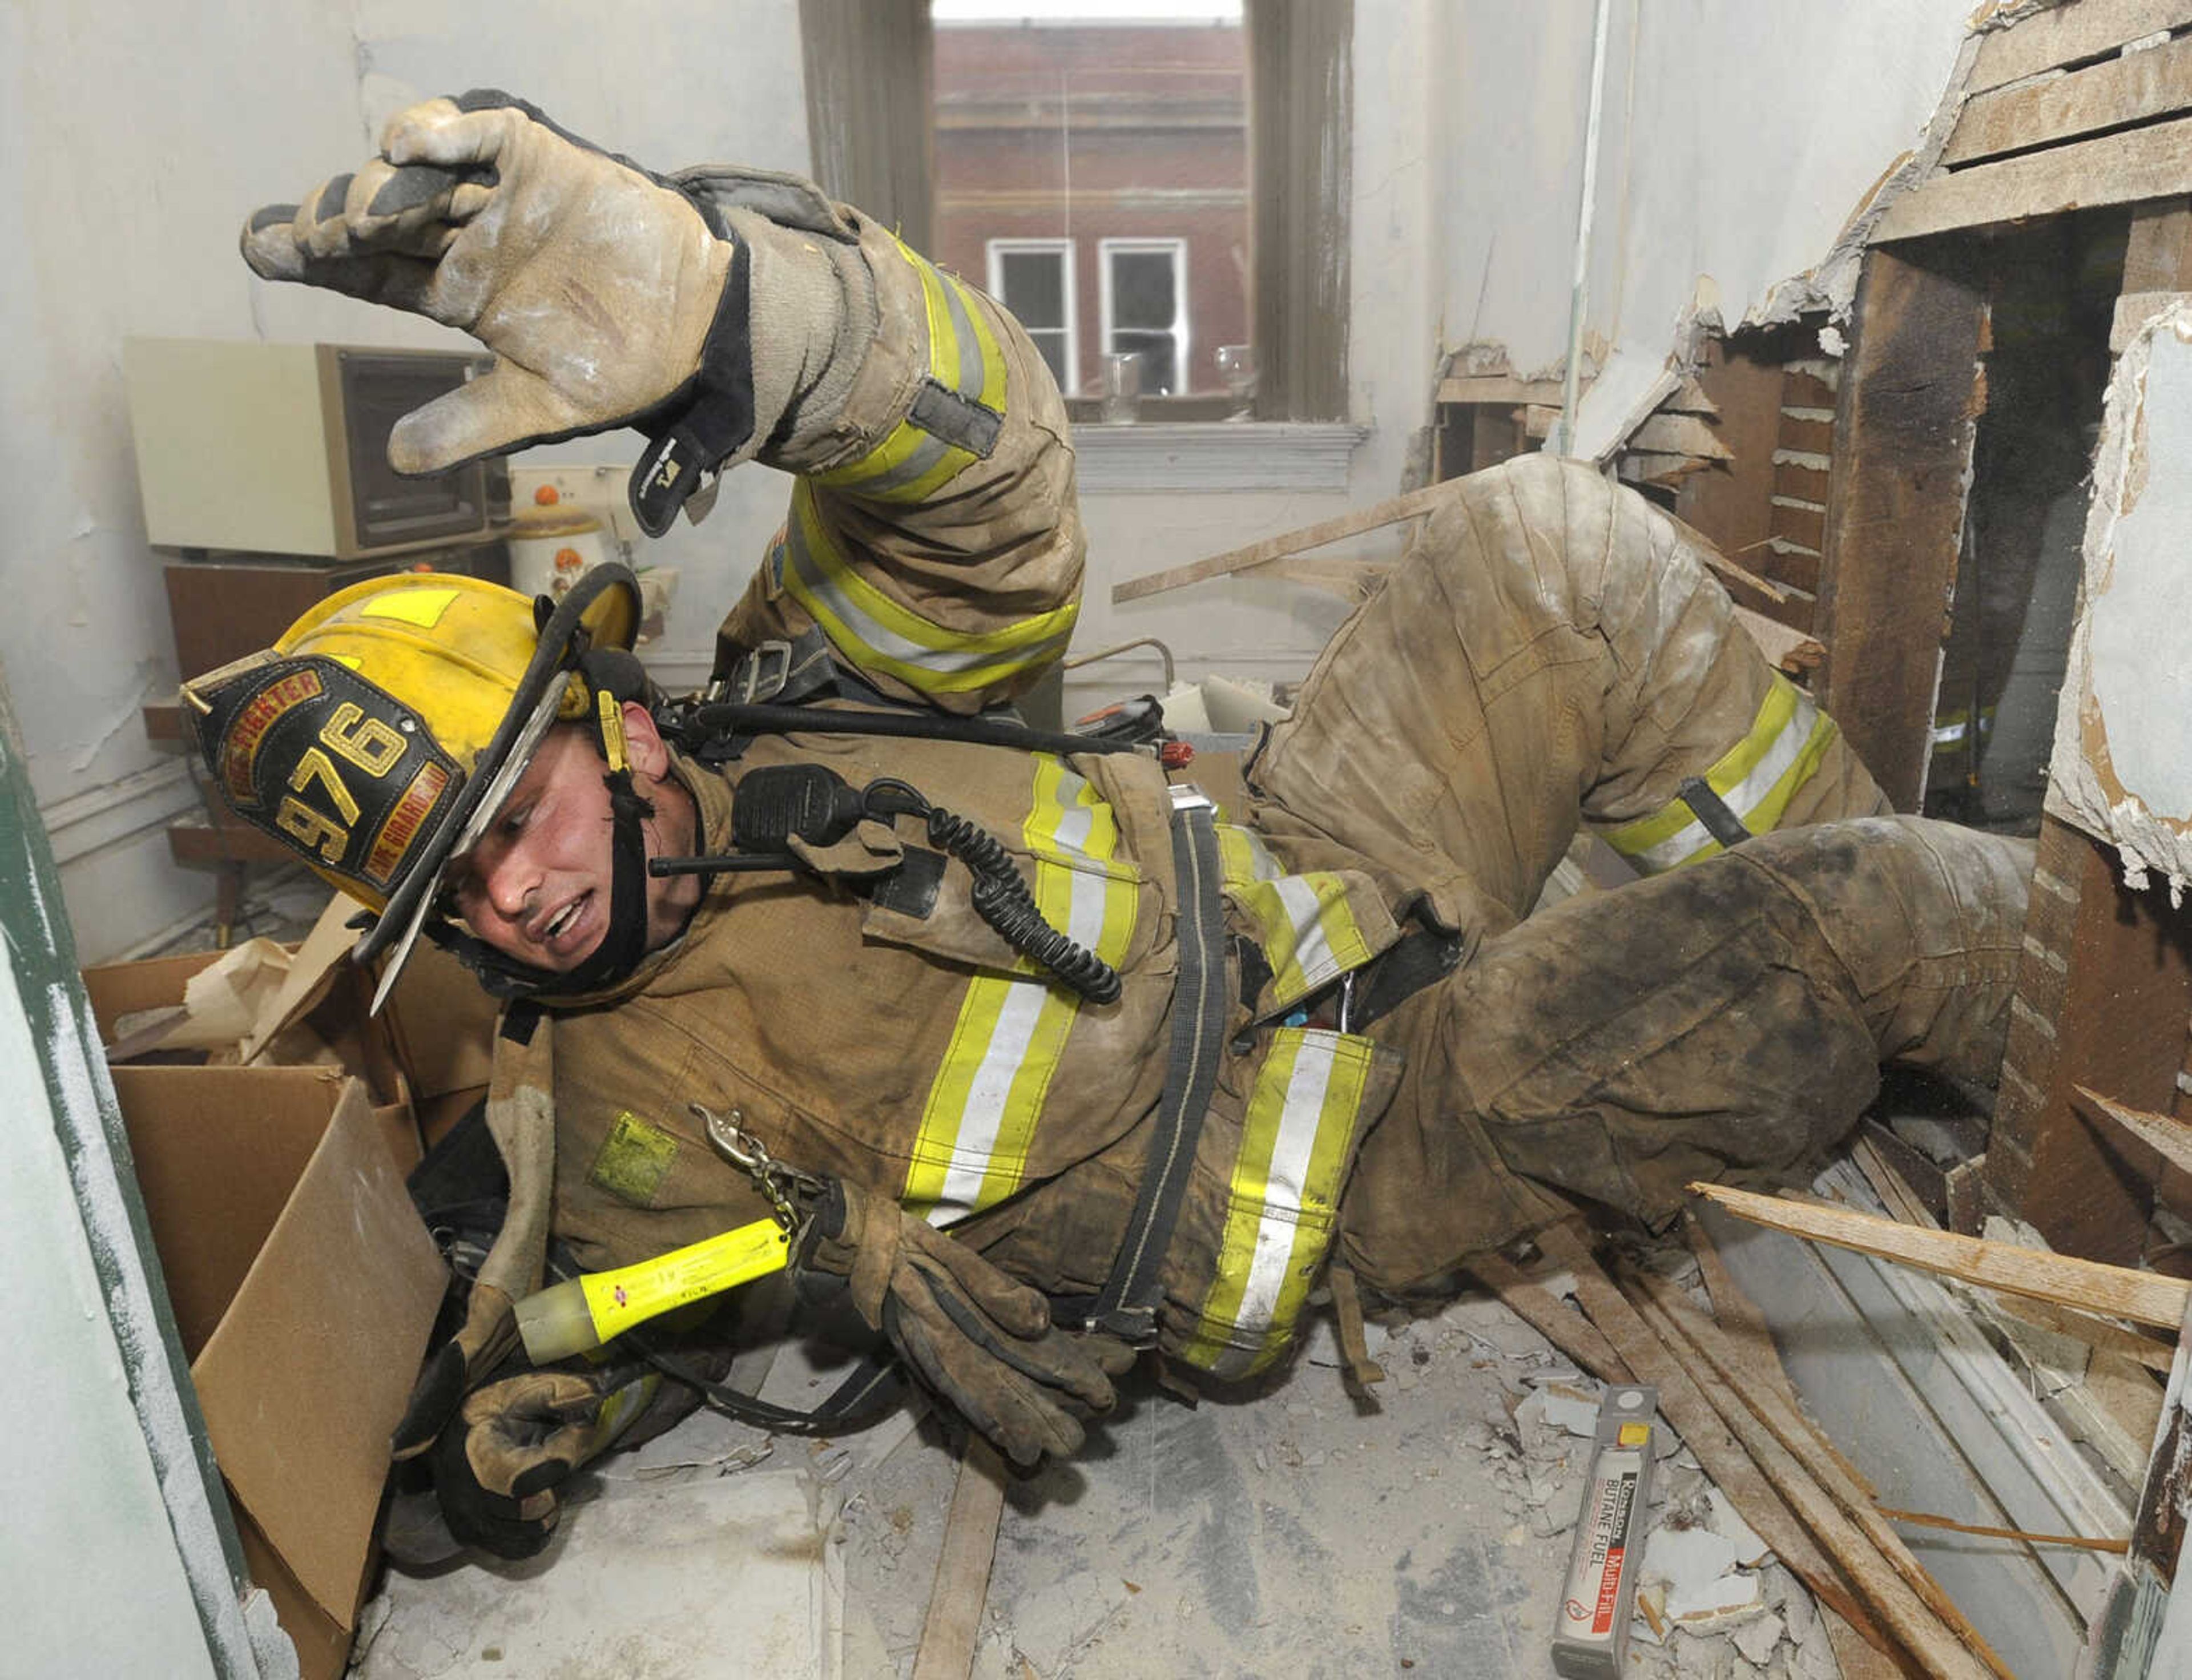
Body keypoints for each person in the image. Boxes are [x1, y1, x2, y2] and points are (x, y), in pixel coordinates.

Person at [186, 92, 2032, 1558]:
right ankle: (1928, 1012)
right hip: (1354, 1132)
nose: (527, 892)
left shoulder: (800, 694)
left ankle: (1915, 1082)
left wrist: (755, 319)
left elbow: (988, 481)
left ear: (604, 713)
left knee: (1547, 541)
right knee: (1881, 917)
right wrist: (511, 1435)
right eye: (459, 887)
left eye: (523, 806)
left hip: (1290, 873)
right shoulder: (593, 1135)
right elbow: (551, 1365)